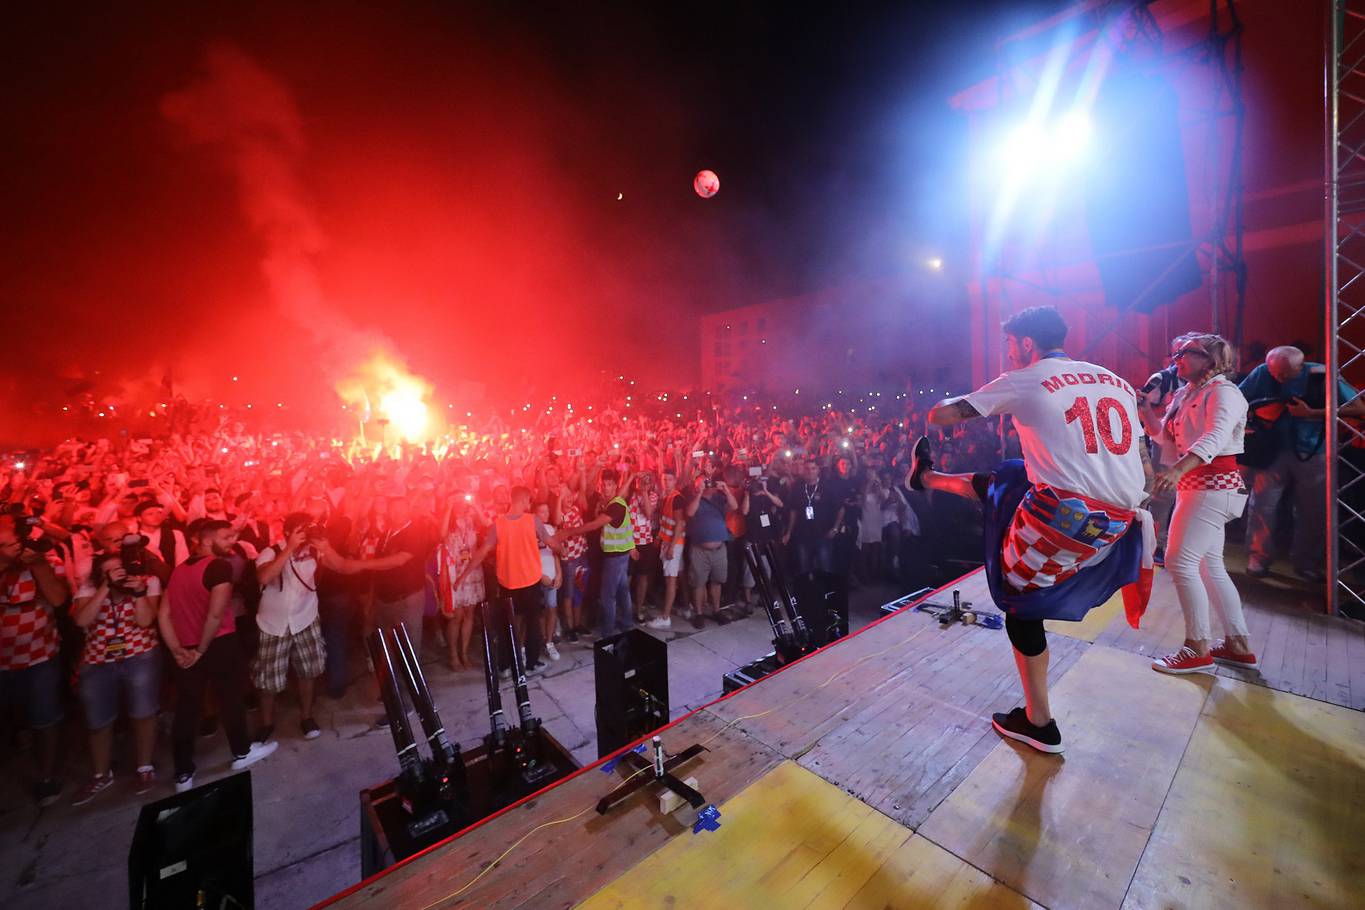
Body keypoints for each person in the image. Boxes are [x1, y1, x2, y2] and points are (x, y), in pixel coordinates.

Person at [910, 306, 1150, 754]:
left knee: (1018, 602)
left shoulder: (1028, 377)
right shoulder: (1111, 378)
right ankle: (927, 479)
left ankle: (1039, 723)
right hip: (1122, 517)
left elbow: (939, 417)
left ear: (1024, 343)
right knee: (1012, 475)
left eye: (1008, 346)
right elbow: (1141, 457)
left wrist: (949, 399)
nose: (1006, 354)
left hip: (1067, 521)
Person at [1140, 334, 1255, 673]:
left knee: (1179, 562)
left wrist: (1177, 470)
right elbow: (1165, 436)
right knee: (1208, 565)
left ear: (1210, 359)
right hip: (1199, 487)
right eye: (1175, 353)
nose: (1177, 358)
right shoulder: (1186, 393)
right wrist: (1147, 411)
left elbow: (1216, 437)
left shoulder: (1224, 392)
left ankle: (1197, 648)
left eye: (1185, 353)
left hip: (1212, 487)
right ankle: (1238, 645)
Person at [253, 512, 411, 742]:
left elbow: (342, 567)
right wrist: (289, 549)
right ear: (288, 532)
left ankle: (307, 717)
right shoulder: (271, 551)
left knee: (308, 672)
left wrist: (326, 547)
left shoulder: (315, 551)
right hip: (273, 624)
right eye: (302, 530)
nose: (307, 534)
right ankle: (266, 724)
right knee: (269, 679)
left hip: (304, 620)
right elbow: (265, 577)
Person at [160, 520, 277, 792]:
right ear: (204, 540)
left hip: (186, 648)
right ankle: (241, 752)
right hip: (217, 643)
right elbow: (215, 613)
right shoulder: (218, 567)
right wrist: (200, 649)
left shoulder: (178, 571)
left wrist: (178, 649)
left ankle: (183, 773)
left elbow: (163, 614)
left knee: (187, 709)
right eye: (225, 537)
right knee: (230, 699)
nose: (231, 542)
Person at [1238, 345, 1364, 580]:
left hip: (1314, 451)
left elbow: (1358, 407)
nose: (1279, 378)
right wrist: (1251, 417)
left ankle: (1307, 562)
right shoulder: (1262, 372)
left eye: (1286, 373)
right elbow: (1237, 398)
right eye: (1275, 372)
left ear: (1301, 365)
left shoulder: (1321, 373)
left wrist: (1312, 413)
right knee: (1262, 505)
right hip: (1270, 450)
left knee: (1313, 510)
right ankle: (1258, 557)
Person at [70, 544, 163, 803]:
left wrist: (138, 594)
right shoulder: (89, 590)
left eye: (119, 570)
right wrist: (105, 589)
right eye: (110, 572)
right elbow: (81, 621)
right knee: (99, 721)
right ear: (100, 575)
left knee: (143, 713)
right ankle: (101, 774)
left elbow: (146, 621)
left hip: (139, 655)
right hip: (98, 660)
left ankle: (144, 767)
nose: (117, 575)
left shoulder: (144, 584)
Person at [0, 515, 70, 805]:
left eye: (16, 541)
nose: (16, 547)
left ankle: (46, 776)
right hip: (3, 661)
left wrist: (37, 564)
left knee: (46, 717)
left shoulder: (45, 561)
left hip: (41, 654)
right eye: (6, 544)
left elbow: (57, 599)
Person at [454, 486, 559, 673]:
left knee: (506, 626)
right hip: (530, 583)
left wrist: (463, 575)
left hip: (507, 585)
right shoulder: (532, 520)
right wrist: (563, 549)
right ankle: (531, 664)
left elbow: (482, 551)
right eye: (528, 501)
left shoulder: (498, 524)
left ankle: (504, 667)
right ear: (523, 500)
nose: (529, 504)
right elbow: (550, 542)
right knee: (532, 623)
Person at [558, 469, 636, 639]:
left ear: (615, 486)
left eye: (610, 485)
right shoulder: (616, 502)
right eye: (604, 484)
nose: (606, 488)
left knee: (608, 596)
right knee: (623, 591)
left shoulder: (615, 506)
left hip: (615, 557)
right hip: (622, 555)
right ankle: (627, 623)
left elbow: (594, 525)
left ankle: (607, 633)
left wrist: (570, 531)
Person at [372, 495, 435, 657]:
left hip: (406, 599)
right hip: (384, 598)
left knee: (409, 646)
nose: (396, 512)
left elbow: (400, 560)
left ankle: (411, 681)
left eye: (400, 508)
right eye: (393, 509)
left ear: (408, 510)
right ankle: (392, 681)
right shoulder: (388, 531)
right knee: (388, 647)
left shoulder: (416, 531)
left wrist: (357, 565)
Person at [438, 492, 486, 670]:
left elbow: (487, 524)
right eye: (457, 500)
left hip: (472, 571)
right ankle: (453, 655)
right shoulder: (448, 521)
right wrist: (449, 507)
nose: (461, 503)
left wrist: (474, 505)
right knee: (456, 617)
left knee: (469, 614)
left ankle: (464, 653)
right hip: (454, 572)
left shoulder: (471, 518)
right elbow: (441, 535)